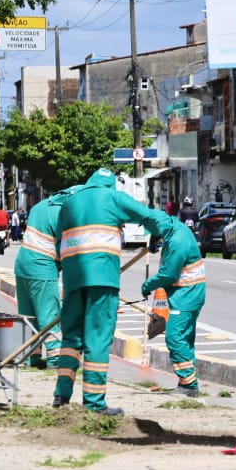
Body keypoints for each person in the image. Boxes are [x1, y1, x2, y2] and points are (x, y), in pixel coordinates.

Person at [55, 166, 162, 416]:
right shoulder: (113, 197)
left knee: (71, 338)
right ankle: (93, 402)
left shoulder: (70, 202)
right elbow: (148, 216)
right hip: (102, 278)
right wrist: (155, 236)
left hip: (72, 279)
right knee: (98, 338)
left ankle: (61, 394)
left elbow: (59, 235)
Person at [14, 186, 78, 381]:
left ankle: (30, 356)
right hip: (41, 268)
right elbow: (64, 248)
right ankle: (54, 356)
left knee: (29, 315)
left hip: (22, 266)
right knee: (49, 314)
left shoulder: (39, 207)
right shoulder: (63, 213)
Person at [141, 211, 207, 395]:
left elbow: (168, 274)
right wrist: (157, 241)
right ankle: (186, 381)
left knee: (175, 337)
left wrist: (148, 285)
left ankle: (189, 384)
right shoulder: (176, 229)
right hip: (188, 294)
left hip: (187, 296)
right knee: (185, 339)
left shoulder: (178, 241)